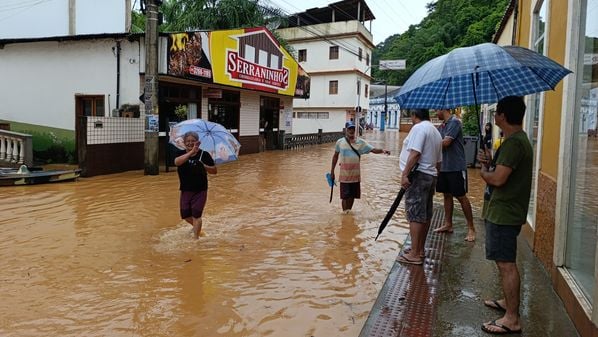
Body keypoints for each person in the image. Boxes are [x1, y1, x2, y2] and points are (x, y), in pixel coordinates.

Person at [477, 96, 532, 334]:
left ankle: (512, 318)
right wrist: (490, 162)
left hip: (504, 213)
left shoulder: (513, 144)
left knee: (506, 263)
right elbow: (503, 171)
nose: (495, 116)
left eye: (497, 112)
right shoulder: (516, 141)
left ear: (502, 116)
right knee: (504, 261)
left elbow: (498, 179)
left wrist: (484, 172)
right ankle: (507, 303)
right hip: (507, 210)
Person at [396, 109, 442, 265]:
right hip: (431, 175)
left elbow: (415, 154)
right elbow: (439, 161)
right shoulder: (435, 131)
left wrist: (405, 174)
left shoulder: (419, 128)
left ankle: (415, 253)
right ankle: (420, 249)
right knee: (425, 214)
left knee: (415, 214)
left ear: (414, 116)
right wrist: (435, 176)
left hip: (418, 175)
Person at [433, 109, 476, 242]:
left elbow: (446, 143)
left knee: (461, 196)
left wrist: (429, 144)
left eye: (436, 110)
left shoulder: (455, 122)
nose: (435, 113)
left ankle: (471, 228)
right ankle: (448, 224)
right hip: (444, 167)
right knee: (446, 195)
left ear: (443, 109)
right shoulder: (441, 126)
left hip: (456, 167)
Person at [330, 121, 390, 212]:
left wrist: (383, 150)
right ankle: (345, 213)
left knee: (352, 196)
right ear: (346, 130)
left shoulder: (361, 142)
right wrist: (332, 171)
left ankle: (348, 213)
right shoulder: (340, 142)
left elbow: (372, 150)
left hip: (355, 175)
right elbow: (335, 156)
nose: (351, 130)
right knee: (345, 197)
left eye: (353, 129)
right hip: (344, 175)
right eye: (349, 128)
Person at [174, 131, 217, 239]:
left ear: (197, 142)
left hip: (200, 190)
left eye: (192, 141)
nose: (190, 143)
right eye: (187, 141)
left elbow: (214, 171)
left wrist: (204, 166)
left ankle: (196, 239)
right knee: (185, 216)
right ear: (184, 142)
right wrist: (191, 152)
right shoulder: (181, 154)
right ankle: (198, 228)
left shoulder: (204, 154)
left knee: (197, 215)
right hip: (185, 190)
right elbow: (177, 162)